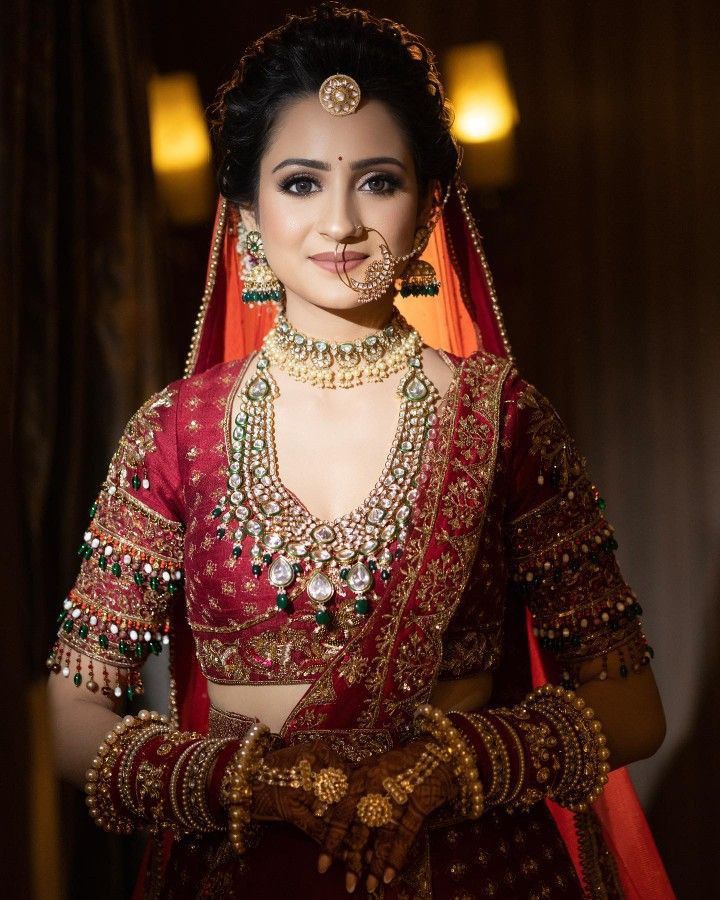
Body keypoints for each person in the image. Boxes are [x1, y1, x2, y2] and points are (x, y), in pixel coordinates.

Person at [47, 4, 673, 897]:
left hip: (472, 866)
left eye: (377, 181)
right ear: (247, 214)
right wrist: (255, 781)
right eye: (300, 182)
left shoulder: (503, 421)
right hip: (238, 866)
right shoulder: (176, 432)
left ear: (426, 215)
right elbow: (73, 712)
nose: (339, 223)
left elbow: (631, 705)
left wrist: (457, 765)